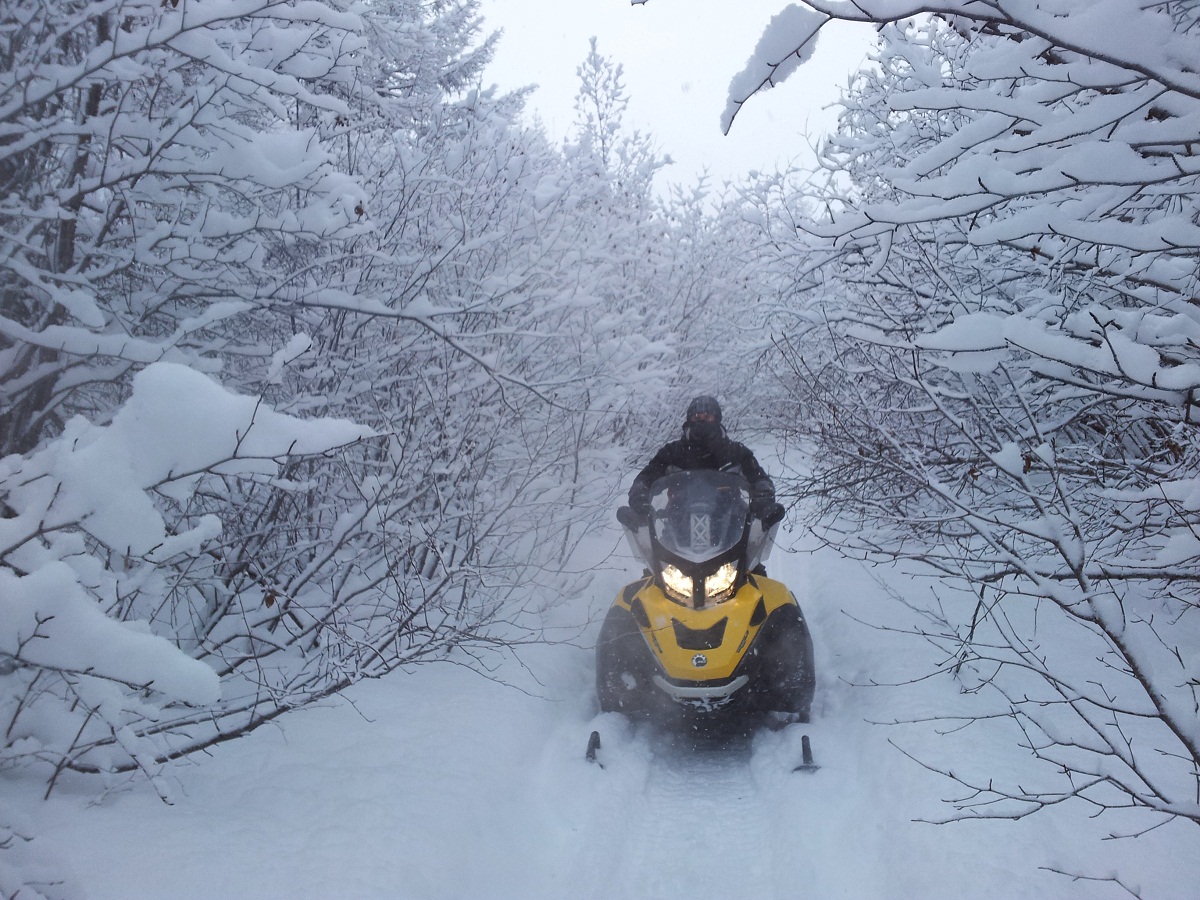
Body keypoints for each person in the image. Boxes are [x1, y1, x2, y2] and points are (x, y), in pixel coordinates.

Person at [627, 395, 777, 520]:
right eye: (696, 417)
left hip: (731, 525)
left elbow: (759, 478)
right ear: (689, 420)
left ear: (717, 419)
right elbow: (647, 476)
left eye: (708, 417)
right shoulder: (672, 453)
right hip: (678, 526)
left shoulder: (736, 452)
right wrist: (640, 493)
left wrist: (763, 496)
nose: (701, 421)